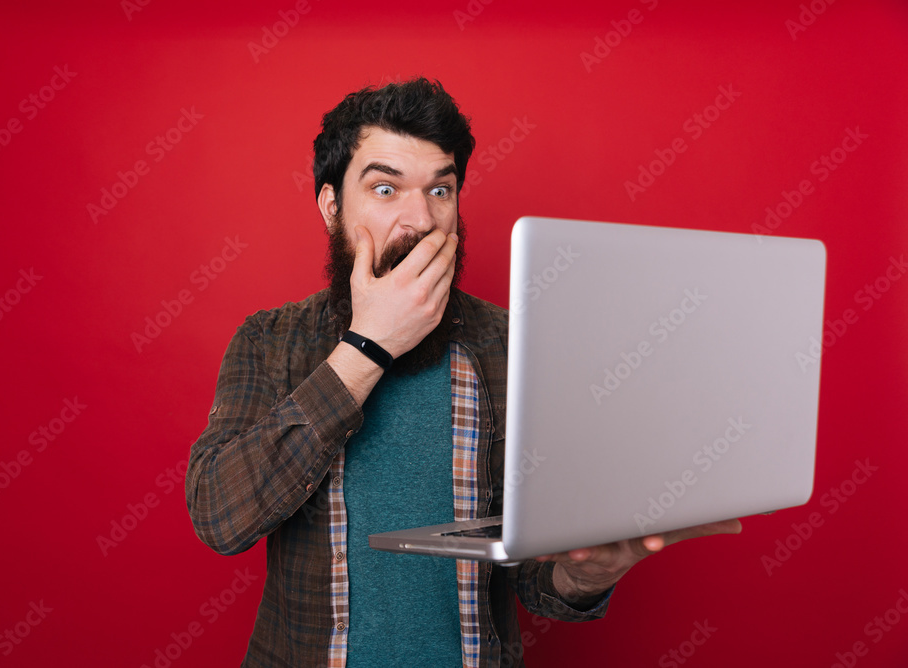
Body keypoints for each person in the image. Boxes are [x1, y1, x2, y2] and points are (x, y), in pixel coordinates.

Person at [184, 77, 741, 668]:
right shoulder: (268, 343)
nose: (420, 219)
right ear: (331, 207)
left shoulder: (514, 346)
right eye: (384, 188)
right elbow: (221, 517)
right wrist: (370, 345)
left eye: (440, 190)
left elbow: (532, 578)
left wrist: (587, 577)